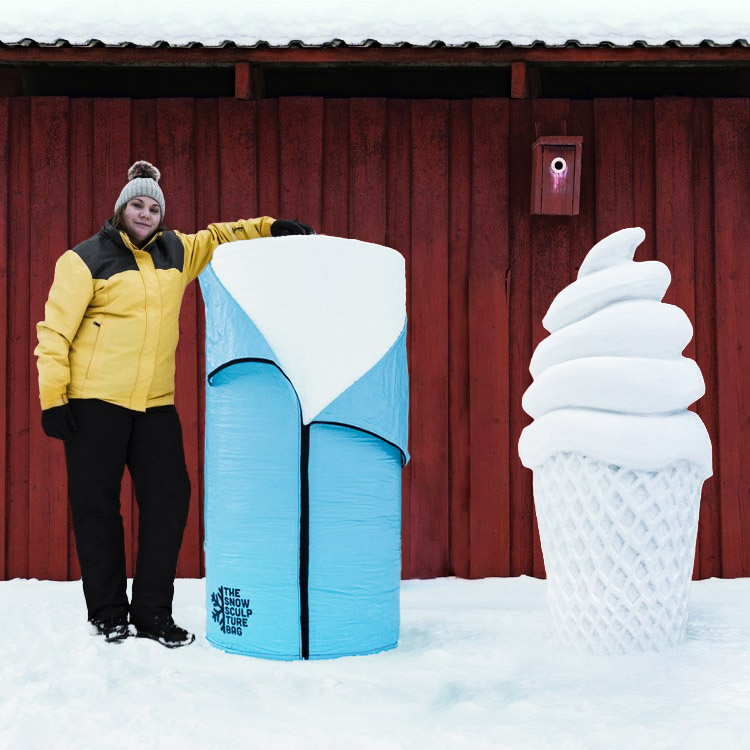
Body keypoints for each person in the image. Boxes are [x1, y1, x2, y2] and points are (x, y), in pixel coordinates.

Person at [35, 161, 314, 647]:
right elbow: (54, 333)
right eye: (137, 205)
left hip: (154, 406)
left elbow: (220, 236)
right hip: (93, 402)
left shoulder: (176, 251)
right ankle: (107, 613)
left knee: (168, 502)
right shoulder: (82, 261)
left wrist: (270, 227)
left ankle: (151, 614)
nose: (145, 213)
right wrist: (53, 398)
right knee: (96, 508)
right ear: (121, 209)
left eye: (153, 207)